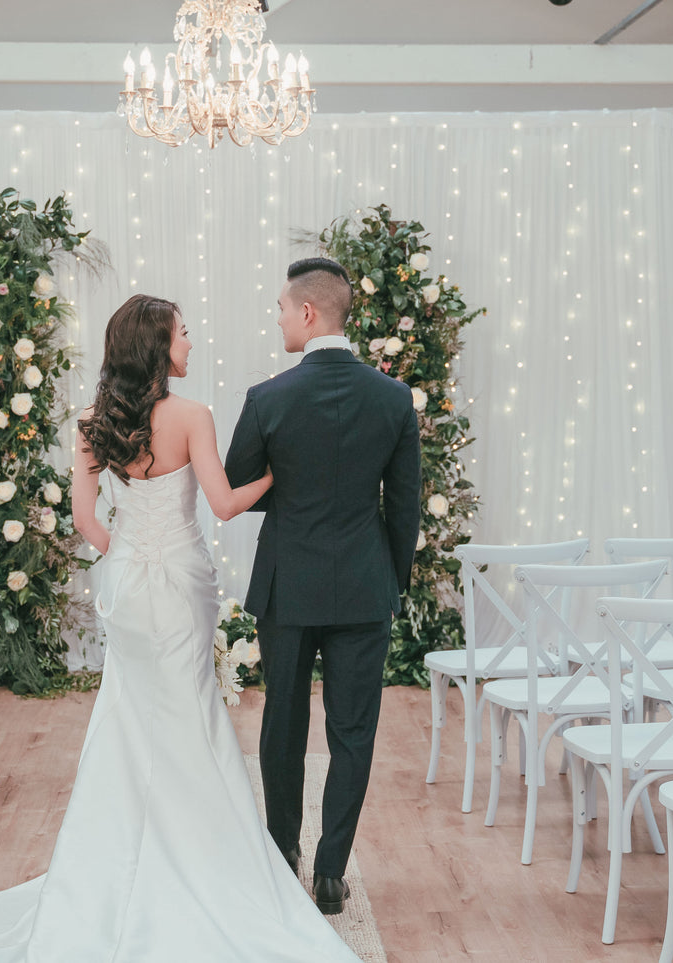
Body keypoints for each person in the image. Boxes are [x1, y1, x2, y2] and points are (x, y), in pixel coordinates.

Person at [0, 294, 361, 962]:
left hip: (130, 587)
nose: (191, 343)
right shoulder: (193, 415)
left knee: (129, 710)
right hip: (183, 584)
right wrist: (279, 474)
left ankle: (121, 851)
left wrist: (126, 552)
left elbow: (84, 520)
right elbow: (222, 505)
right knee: (189, 712)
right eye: (183, 335)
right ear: (159, 347)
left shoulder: (90, 420)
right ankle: (201, 852)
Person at [224, 257, 421, 916]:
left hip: (288, 585)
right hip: (365, 584)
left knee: (282, 720)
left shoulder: (268, 397)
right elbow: (405, 506)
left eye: (281, 308)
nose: (278, 318)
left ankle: (284, 851)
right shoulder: (393, 398)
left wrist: (293, 478)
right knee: (353, 729)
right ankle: (332, 869)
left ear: (308, 314)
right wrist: (388, 582)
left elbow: (238, 486)